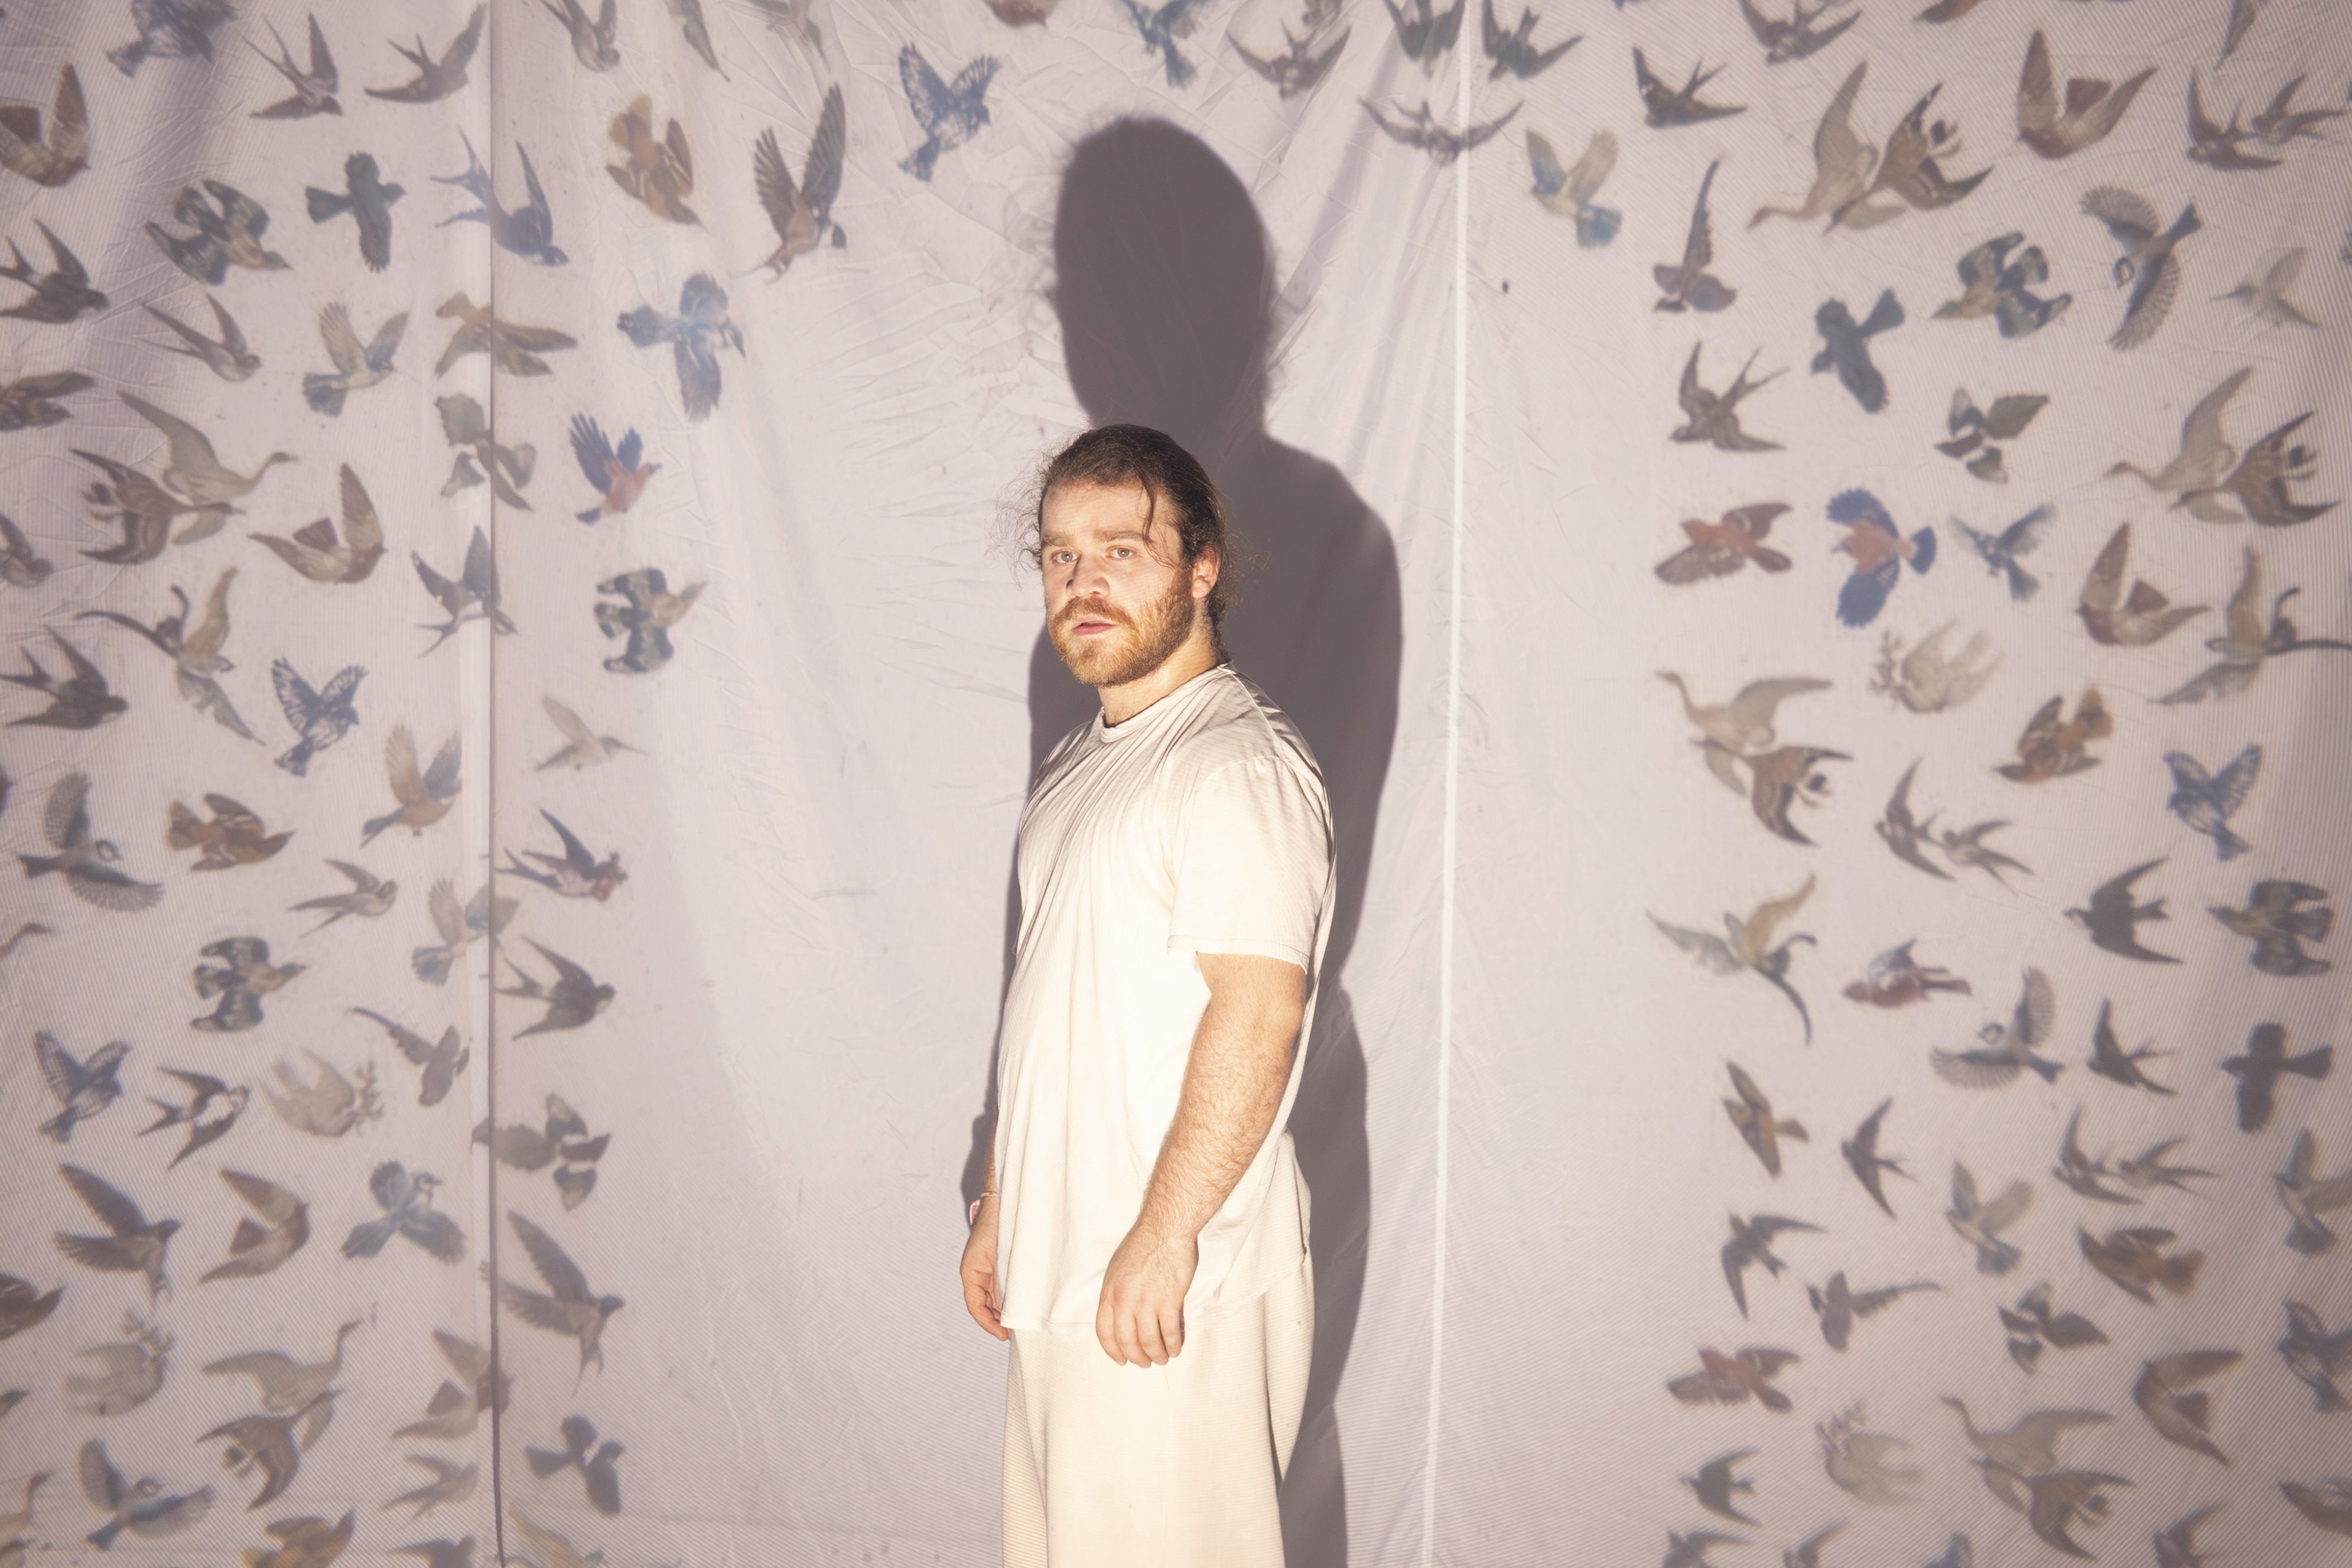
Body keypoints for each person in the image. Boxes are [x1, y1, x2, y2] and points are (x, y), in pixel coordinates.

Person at [963, 423, 1335, 1566]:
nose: (1084, 583)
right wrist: (1003, 1196)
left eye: (1120, 551)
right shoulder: (1084, 760)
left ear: (1201, 565)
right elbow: (1057, 1005)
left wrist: (1165, 1237)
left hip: (1167, 1285)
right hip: (1068, 1265)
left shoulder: (1232, 763)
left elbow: (1258, 1013)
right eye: (1060, 555)